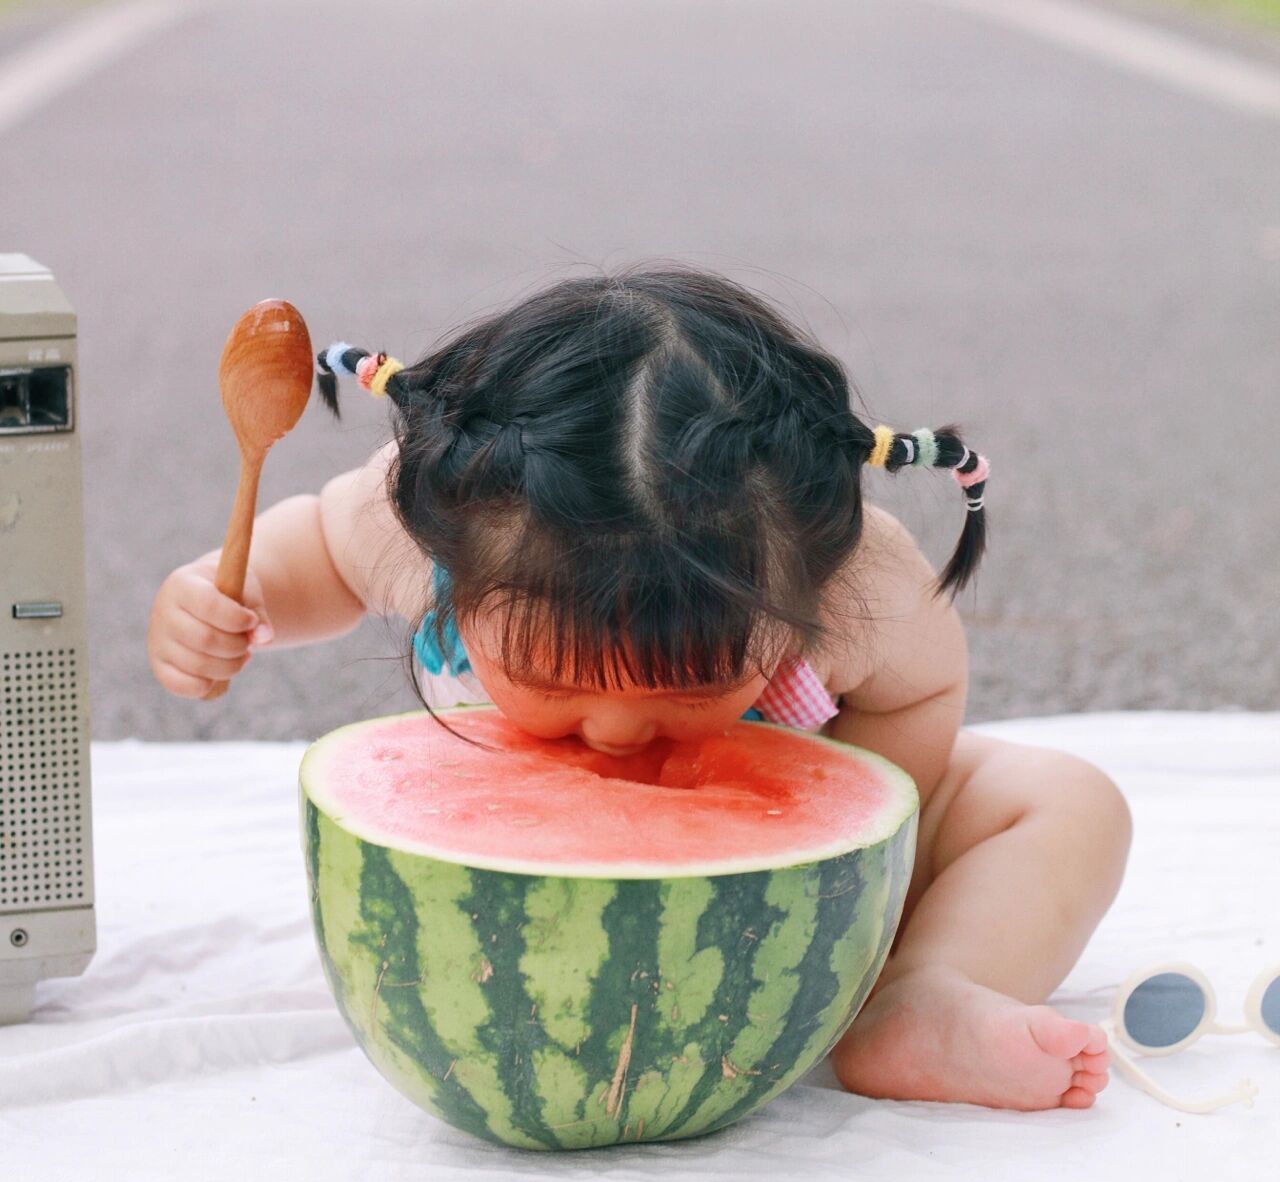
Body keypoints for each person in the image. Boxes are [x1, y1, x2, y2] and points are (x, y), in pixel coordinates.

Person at [147, 264, 1131, 1111]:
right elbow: (316, 548)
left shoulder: (850, 581)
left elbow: (920, 692)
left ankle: (921, 994)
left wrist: (854, 859)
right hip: (506, 884)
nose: (616, 729)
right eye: (540, 672)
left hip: (767, 855)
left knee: (1066, 802)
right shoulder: (441, 525)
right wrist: (228, 597)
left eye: (693, 678)